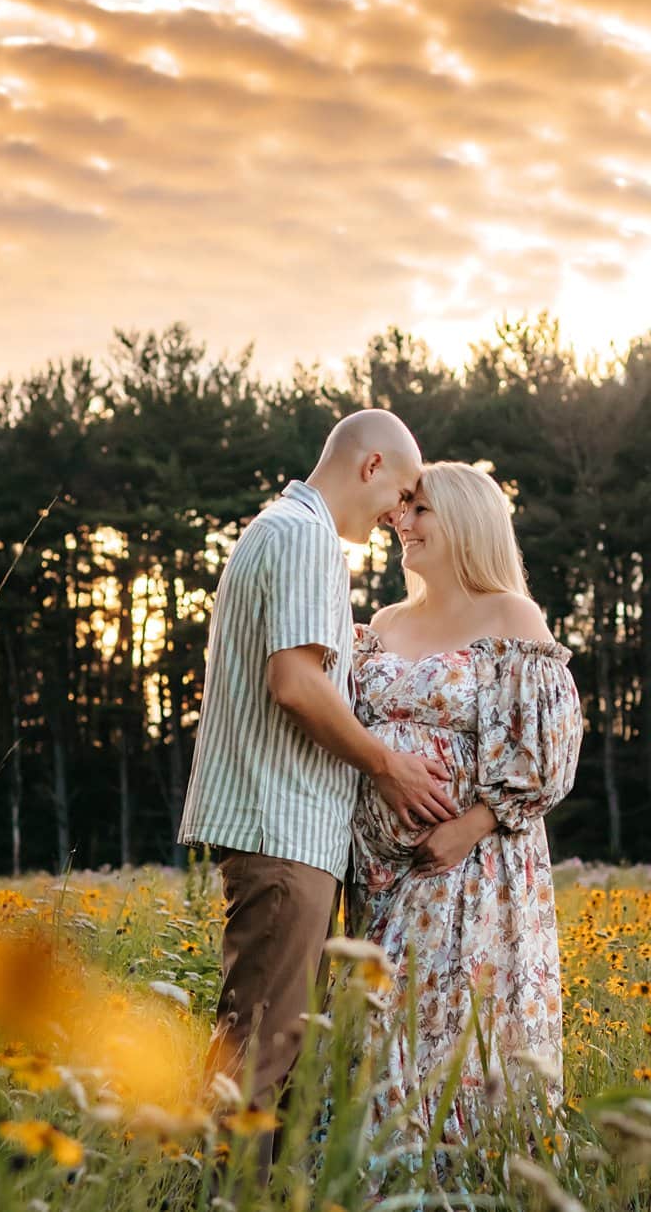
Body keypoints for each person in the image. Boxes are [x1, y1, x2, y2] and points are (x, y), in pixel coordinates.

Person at [176, 410, 458, 1166]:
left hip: (283, 829)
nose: (401, 515)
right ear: (369, 467)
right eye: (400, 494)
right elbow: (296, 683)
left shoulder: (282, 530)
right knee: (259, 1060)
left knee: (270, 1049)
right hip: (282, 828)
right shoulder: (304, 537)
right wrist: (387, 764)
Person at [346, 461, 582, 1145]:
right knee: (374, 1037)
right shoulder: (385, 620)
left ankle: (463, 1181)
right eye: (402, 508)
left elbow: (549, 753)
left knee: (453, 1041)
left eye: (419, 509)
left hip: (469, 870)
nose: (401, 520)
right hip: (378, 875)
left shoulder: (509, 617)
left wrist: (469, 827)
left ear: (467, 521)